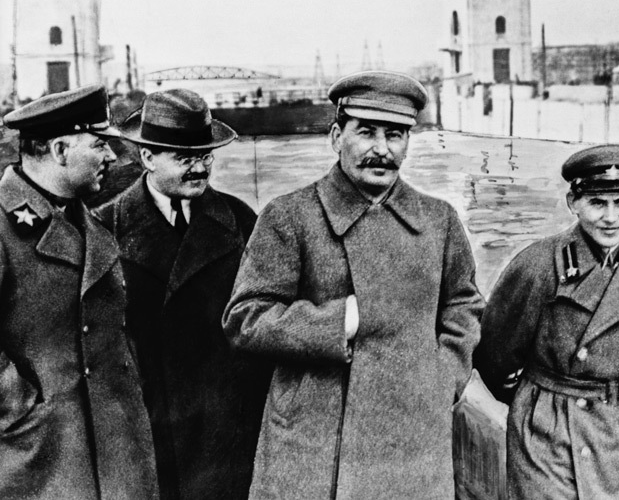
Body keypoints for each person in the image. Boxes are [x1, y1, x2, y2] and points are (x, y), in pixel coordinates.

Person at [223, 70, 484, 499]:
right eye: (366, 132)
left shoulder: (440, 221)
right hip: (316, 439)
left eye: (395, 135)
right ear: (335, 137)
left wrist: (443, 378)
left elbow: (464, 306)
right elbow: (245, 318)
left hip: (412, 437)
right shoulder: (289, 216)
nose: (381, 149)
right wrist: (337, 322)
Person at [474, 144, 619, 500]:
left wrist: (614, 389)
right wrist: (541, 400)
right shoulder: (539, 266)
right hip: (550, 436)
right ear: (574, 203)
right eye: (597, 203)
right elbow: (494, 356)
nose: (611, 217)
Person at [95, 89, 270, 500]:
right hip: (148, 431)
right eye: (185, 158)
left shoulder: (241, 220)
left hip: (227, 432)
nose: (200, 168)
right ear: (147, 157)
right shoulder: (104, 228)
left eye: (206, 156)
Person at [0, 85, 158, 499]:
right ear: (60, 150)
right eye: (99, 144)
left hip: (115, 448)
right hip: (42, 458)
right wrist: (22, 413)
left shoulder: (87, 222)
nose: (113, 157)